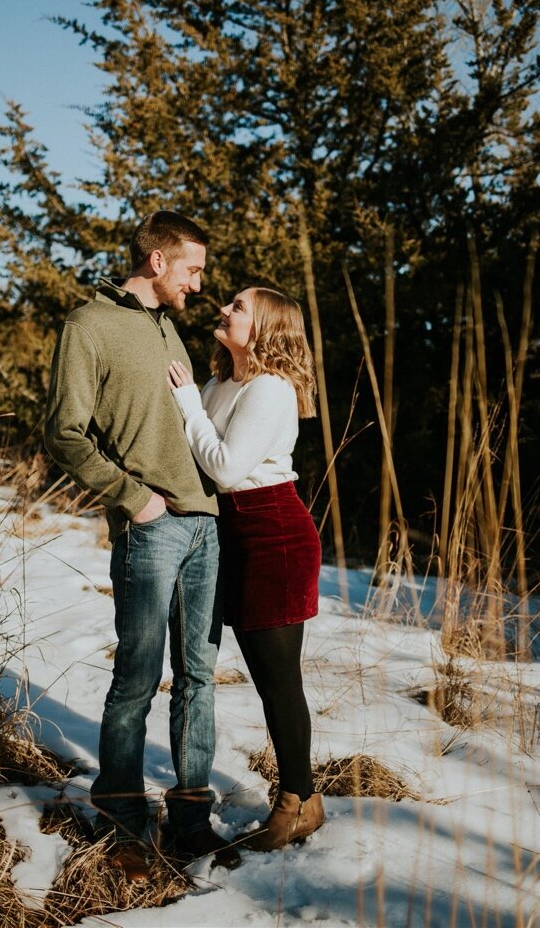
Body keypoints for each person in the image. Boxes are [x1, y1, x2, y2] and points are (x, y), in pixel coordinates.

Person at [44, 211, 237, 876]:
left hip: (205, 528)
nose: (200, 281)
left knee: (199, 679)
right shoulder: (87, 326)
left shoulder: (171, 330)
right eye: (193, 268)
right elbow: (64, 432)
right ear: (157, 261)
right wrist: (135, 498)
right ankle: (122, 817)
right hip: (150, 528)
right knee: (136, 679)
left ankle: (190, 819)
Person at [167, 285, 326, 851]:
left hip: (274, 534)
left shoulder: (271, 389)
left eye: (239, 307)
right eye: (229, 302)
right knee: (264, 678)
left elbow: (228, 468)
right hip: (231, 534)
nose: (225, 310)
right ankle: (305, 795)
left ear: (265, 327)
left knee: (279, 681)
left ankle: (297, 802)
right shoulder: (218, 383)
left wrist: (187, 405)